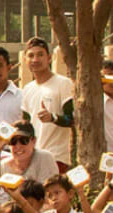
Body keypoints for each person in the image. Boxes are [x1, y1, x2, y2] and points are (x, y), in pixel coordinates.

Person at [19, 38, 75, 166]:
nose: (35, 60)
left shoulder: (63, 83)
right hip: (32, 158)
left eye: (40, 55)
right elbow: (26, 125)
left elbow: (72, 119)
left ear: (49, 58)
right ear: (25, 60)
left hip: (56, 158)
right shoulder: (27, 89)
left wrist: (53, 118)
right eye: (31, 56)